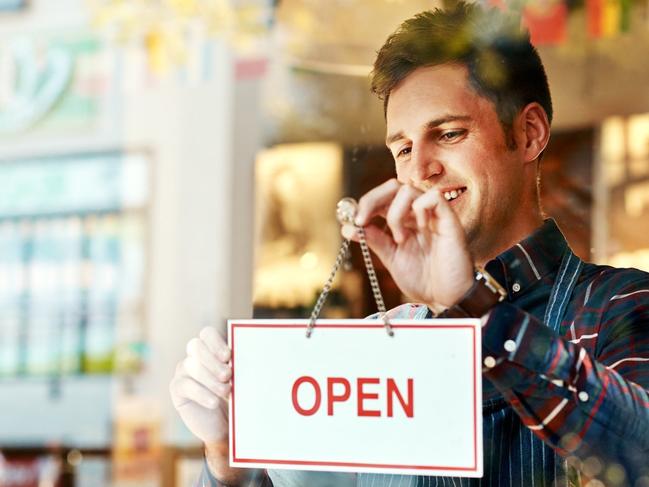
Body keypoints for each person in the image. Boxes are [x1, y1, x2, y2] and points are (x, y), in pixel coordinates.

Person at [169, 2, 649, 486]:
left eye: (448, 133)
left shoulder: (620, 306)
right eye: (402, 148)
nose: (420, 169)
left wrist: (473, 308)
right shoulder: (376, 347)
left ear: (529, 134)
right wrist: (228, 460)